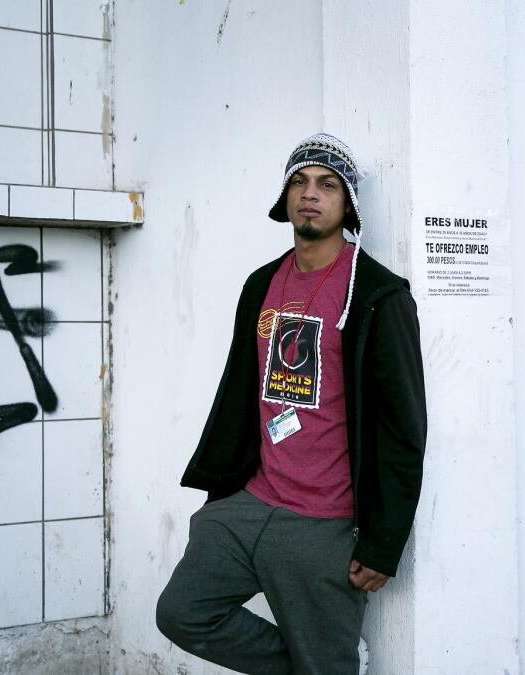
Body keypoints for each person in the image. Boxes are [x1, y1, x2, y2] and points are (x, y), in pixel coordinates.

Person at [156, 133, 427, 674]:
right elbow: (240, 388)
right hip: (253, 500)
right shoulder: (262, 284)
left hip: (324, 523)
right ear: (284, 199)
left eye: (328, 185)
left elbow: (404, 427)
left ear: (347, 204)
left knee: (326, 666)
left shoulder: (376, 295)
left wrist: (383, 542)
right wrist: (219, 499)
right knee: (182, 613)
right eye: (299, 182)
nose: (311, 194)